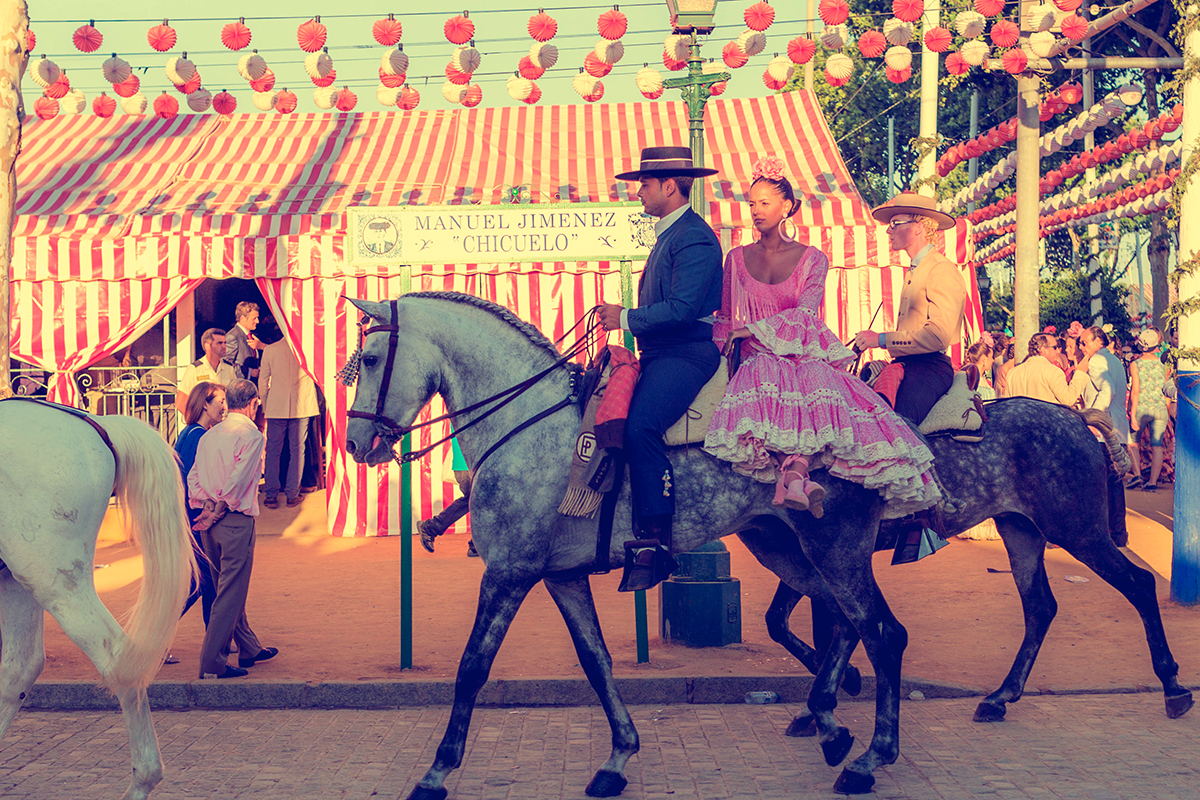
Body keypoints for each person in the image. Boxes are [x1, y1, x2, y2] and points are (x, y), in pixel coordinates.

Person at [704, 157, 940, 524]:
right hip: (755, 360)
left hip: (797, 358)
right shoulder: (734, 258)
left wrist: (750, 331)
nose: (755, 211)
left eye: (765, 203)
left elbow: (804, 312)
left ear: (787, 208)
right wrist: (715, 357)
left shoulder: (813, 258)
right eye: (752, 203)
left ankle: (798, 482)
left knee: (852, 417)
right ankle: (794, 480)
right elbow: (723, 319)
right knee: (776, 405)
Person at [598, 145, 723, 592]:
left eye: (644, 185)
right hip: (661, 352)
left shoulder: (693, 236)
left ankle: (657, 539)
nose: (639, 193)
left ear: (670, 186)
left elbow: (684, 309)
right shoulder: (672, 234)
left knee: (639, 428)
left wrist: (625, 317)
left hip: (686, 352)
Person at [187, 378, 278, 679]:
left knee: (226, 587)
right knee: (230, 593)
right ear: (253, 403)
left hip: (207, 521)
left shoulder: (210, 436)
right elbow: (238, 482)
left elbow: (193, 479)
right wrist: (221, 507)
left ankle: (249, 647)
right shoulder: (252, 436)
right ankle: (212, 663)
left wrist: (210, 507)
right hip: (233, 521)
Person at [853, 193, 966, 425]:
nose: (888, 230)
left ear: (919, 227)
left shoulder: (941, 269)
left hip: (929, 368)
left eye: (895, 223)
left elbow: (937, 337)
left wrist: (881, 339)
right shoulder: (917, 268)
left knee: (896, 427)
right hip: (908, 366)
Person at [258, 331, 319, 509]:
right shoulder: (307, 350)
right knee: (298, 450)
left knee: (273, 450)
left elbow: (263, 381)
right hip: (302, 406)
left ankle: (271, 494)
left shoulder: (271, 350)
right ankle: (292, 493)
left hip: (277, 406)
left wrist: (266, 404)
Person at [1127, 327, 1171, 491]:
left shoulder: (1135, 364)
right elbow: (1167, 389)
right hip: (1160, 408)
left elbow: (1135, 391)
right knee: (1157, 446)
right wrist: (1166, 408)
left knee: (1133, 443)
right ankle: (1152, 482)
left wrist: (1132, 414)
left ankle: (1137, 475)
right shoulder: (1164, 365)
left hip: (1142, 408)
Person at [1004, 333, 1091, 405]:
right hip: (1045, 424)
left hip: (1019, 424)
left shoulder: (1013, 373)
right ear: (1043, 349)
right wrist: (1080, 374)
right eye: (1054, 347)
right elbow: (1068, 399)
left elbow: (1006, 405)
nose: (1058, 351)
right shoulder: (1053, 371)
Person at [176, 328, 235, 413]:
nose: (224, 346)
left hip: (224, 422)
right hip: (204, 424)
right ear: (207, 346)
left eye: (225, 343)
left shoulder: (229, 368)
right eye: (219, 343)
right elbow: (180, 403)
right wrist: (197, 422)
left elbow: (235, 399)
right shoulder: (195, 369)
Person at [224, 301, 263, 379]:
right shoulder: (233, 336)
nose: (257, 321)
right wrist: (249, 372)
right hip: (241, 385)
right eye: (254, 318)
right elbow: (226, 364)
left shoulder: (252, 336)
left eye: (257, 318)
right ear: (242, 318)